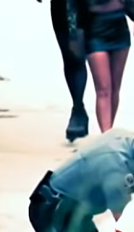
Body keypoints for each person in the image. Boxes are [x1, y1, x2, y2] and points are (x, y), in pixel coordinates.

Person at [71, 0, 134, 134]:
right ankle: (106, 133)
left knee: (115, 88)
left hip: (119, 30)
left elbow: (130, 5)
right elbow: (76, 13)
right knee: (103, 89)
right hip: (95, 31)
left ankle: (109, 127)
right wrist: (75, 38)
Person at [41, 0, 90, 142]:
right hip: (62, 7)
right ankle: (78, 108)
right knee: (69, 57)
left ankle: (78, 111)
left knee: (78, 56)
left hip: (90, 6)